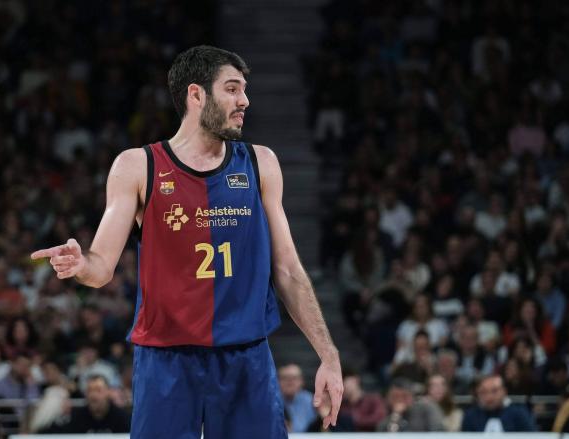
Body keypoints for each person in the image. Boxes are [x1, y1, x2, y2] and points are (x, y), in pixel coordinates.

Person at [30, 45, 343, 439]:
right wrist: (80, 265)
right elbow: (101, 269)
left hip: (245, 356)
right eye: (232, 89)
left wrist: (328, 355)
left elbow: (287, 269)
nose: (244, 100)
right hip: (167, 358)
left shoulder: (261, 162)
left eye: (244, 90)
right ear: (196, 95)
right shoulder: (137, 165)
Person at [43, 375, 130, 433]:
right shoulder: (76, 416)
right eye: (89, 390)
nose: (93, 395)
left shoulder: (121, 417)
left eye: (98, 390)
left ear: (108, 392)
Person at [461, 374, 537, 432]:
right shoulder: (471, 416)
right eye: (483, 392)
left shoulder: (519, 414)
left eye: (494, 391)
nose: (489, 397)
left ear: (504, 392)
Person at [376, 377, 445, 432]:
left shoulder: (427, 408)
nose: (400, 400)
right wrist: (396, 415)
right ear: (388, 398)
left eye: (404, 396)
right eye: (395, 397)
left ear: (412, 397)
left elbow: (438, 431)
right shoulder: (383, 413)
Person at [278, 364, 317, 433]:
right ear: (278, 381)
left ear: (301, 381)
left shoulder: (312, 401)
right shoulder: (270, 402)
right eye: (285, 378)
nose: (289, 382)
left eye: (294, 378)